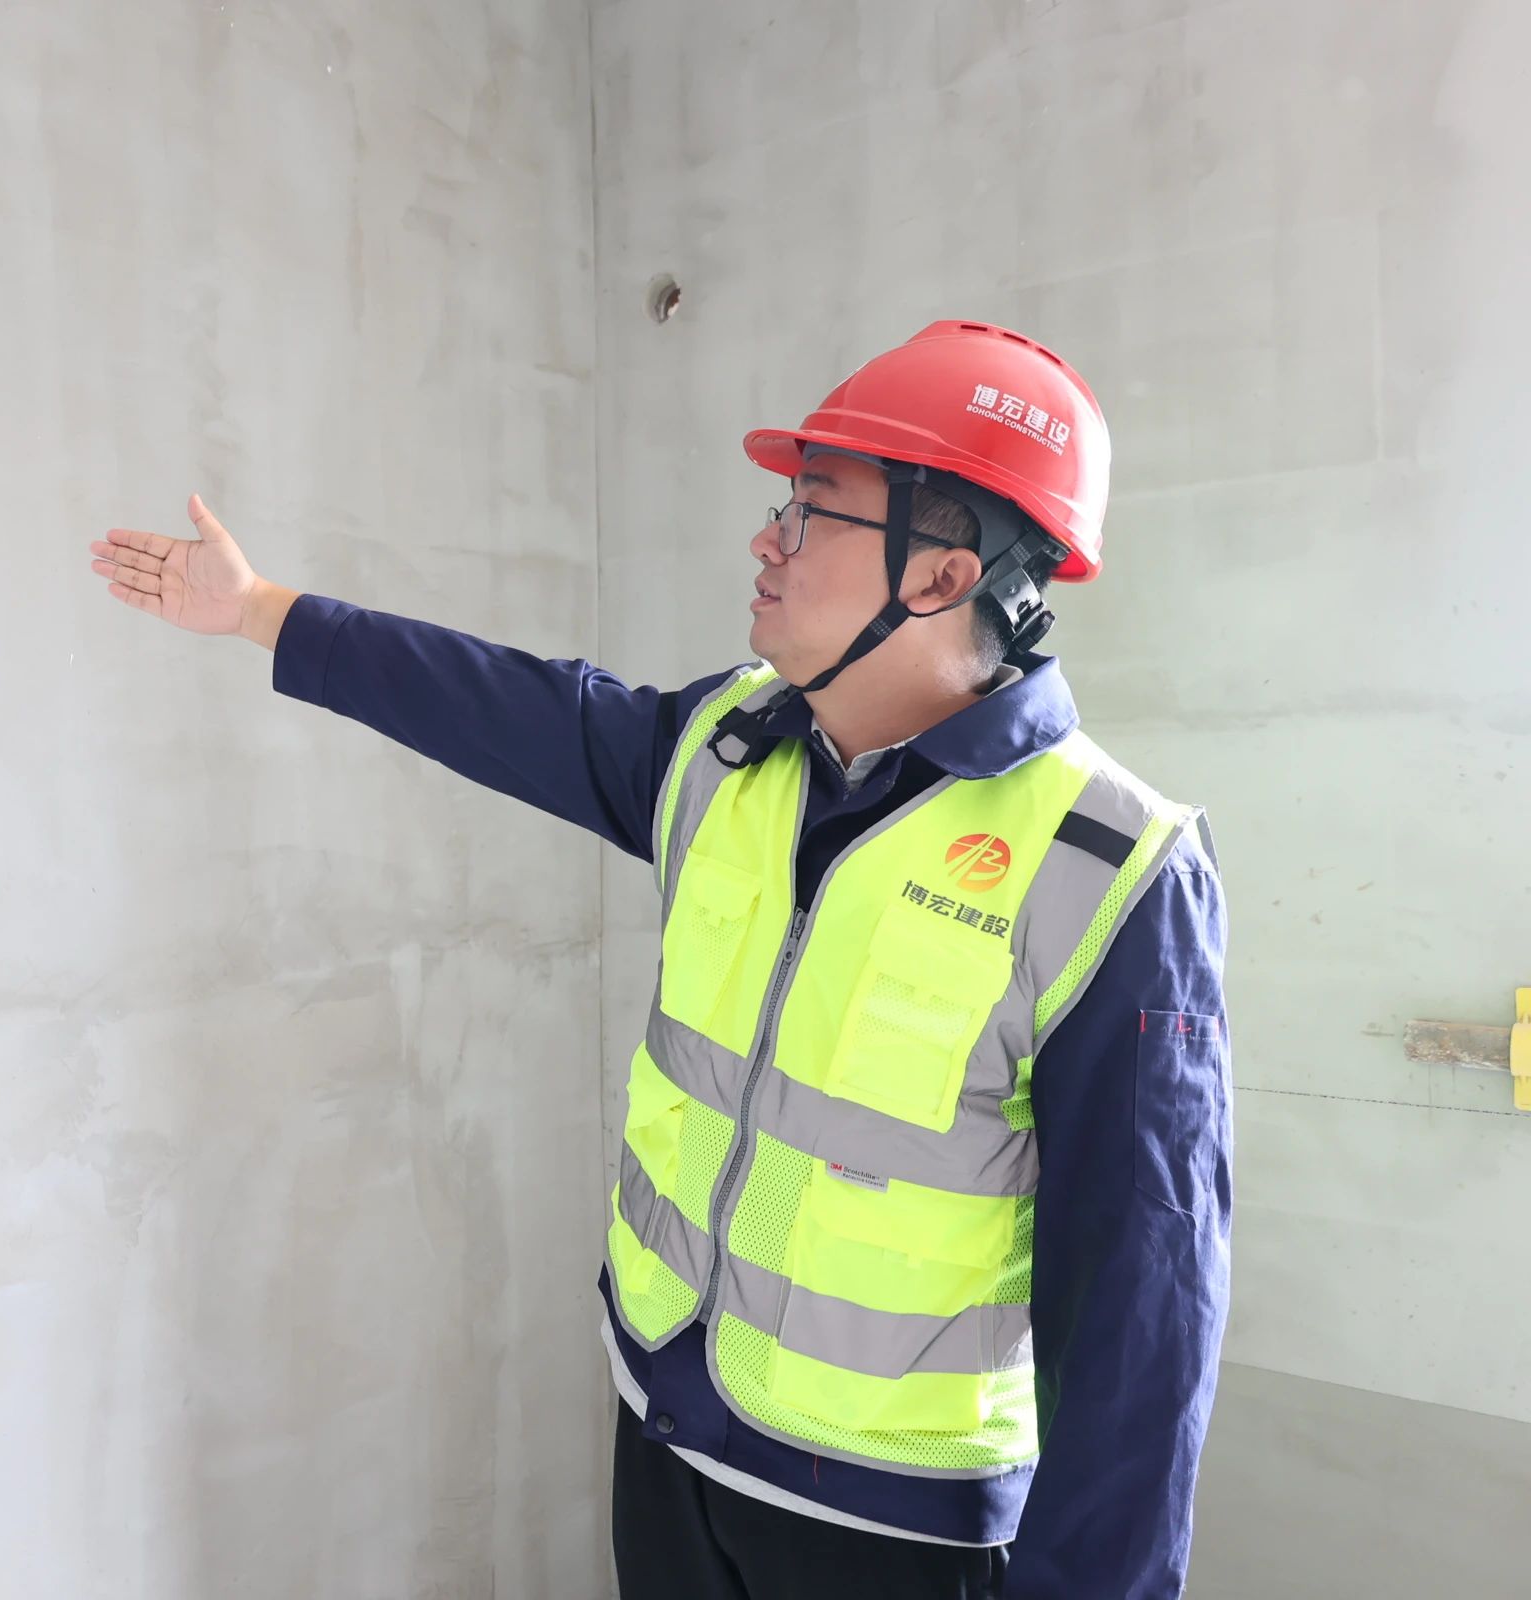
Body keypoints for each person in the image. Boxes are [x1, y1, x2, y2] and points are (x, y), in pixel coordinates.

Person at [88, 321, 1232, 1599]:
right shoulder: (726, 751)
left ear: (940, 574)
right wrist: (260, 613)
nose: (766, 541)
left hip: (891, 1528)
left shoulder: (1110, 870)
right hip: (667, 1433)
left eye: (812, 511)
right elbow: (503, 704)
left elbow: (1144, 1312)